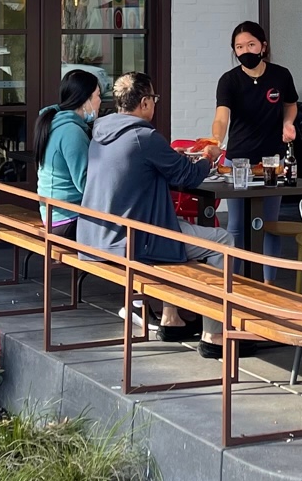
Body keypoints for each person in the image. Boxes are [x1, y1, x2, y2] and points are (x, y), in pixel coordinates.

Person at [79, 72, 224, 343]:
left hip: (96, 235)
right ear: (145, 102)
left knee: (175, 233)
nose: (155, 103)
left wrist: (172, 157)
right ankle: (214, 335)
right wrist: (208, 158)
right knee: (223, 242)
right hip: (132, 239)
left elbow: (145, 166)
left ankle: (172, 317)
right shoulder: (143, 137)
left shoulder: (101, 131)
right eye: (154, 98)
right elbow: (188, 177)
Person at [212, 21, 297, 279]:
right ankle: (235, 285)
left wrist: (288, 123)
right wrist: (216, 140)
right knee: (236, 226)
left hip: (272, 160)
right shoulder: (229, 81)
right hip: (238, 159)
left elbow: (290, 104)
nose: (245, 50)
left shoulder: (280, 75)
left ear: (263, 46)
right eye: (239, 47)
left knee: (269, 224)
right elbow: (221, 117)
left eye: (250, 44)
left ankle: (268, 285)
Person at [36, 69, 102, 231]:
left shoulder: (55, 122)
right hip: (68, 219)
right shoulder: (71, 132)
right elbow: (86, 185)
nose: (100, 101)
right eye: (98, 95)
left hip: (54, 215)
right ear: (85, 100)